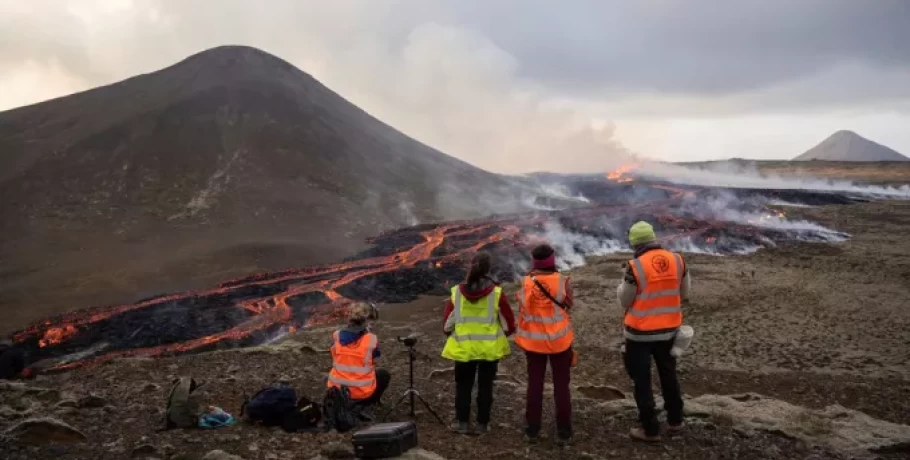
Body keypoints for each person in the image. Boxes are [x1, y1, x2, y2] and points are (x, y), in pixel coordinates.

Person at [617, 221, 690, 442]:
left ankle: (650, 430)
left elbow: (624, 299)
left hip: (639, 333)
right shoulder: (678, 260)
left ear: (635, 243)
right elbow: (684, 293)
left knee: (642, 380)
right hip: (669, 330)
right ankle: (676, 420)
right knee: (668, 375)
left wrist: (619, 288)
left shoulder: (635, 265)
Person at [441, 251, 515, 435]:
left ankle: (462, 423)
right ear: (488, 269)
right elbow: (509, 324)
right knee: (486, 385)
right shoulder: (496, 293)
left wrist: (451, 332)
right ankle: (483, 424)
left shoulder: (457, 292)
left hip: (464, 347)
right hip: (488, 349)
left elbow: (447, 324)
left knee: (463, 385)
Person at [514, 244, 575, 446]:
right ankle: (564, 430)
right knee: (561, 386)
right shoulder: (563, 281)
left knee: (534, 385)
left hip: (534, 342)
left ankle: (532, 429)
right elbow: (569, 303)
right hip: (560, 341)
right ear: (552, 260)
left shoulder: (526, 283)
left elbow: (522, 305)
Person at [327, 303, 390, 408]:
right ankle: (365, 405)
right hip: (361, 395)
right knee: (383, 375)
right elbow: (375, 357)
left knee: (333, 375)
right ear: (367, 320)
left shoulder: (337, 335)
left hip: (337, 393)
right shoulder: (370, 339)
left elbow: (335, 353)